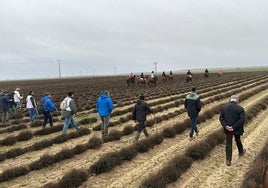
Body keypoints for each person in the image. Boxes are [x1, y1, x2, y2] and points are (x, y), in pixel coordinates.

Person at [219, 95, 246, 166]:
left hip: (227, 129)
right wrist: (234, 127)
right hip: (237, 129)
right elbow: (242, 120)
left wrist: (226, 126)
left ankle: (228, 160)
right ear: (237, 100)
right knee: (238, 140)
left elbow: (221, 118)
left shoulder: (224, 108)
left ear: (230, 100)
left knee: (228, 144)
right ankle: (241, 152)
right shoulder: (240, 108)